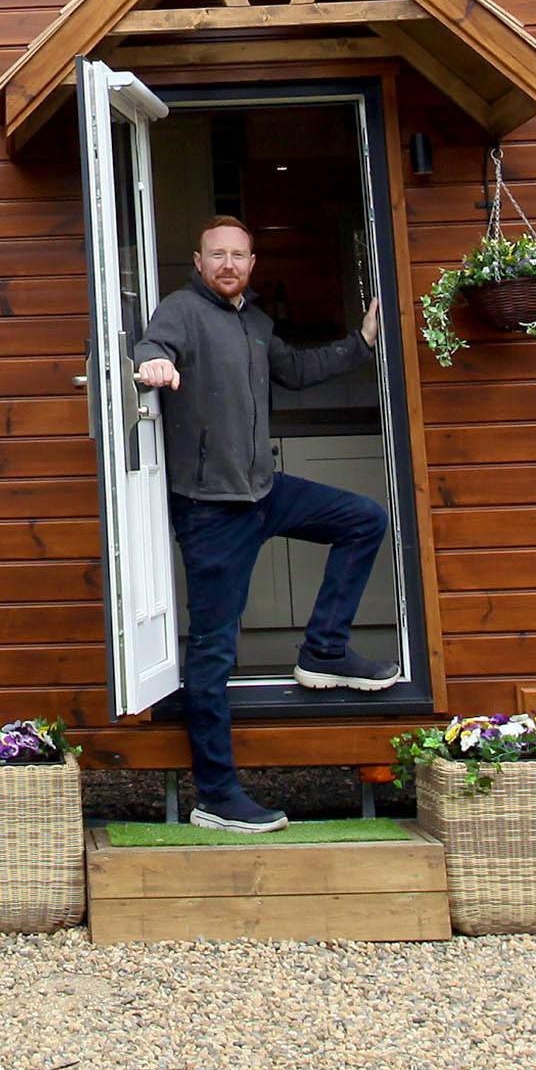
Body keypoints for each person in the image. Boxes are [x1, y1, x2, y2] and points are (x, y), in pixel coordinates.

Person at [127, 213, 401, 832]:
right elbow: (153, 347)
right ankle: (217, 796)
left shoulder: (254, 322)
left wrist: (362, 342)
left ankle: (324, 651)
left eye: (239, 256)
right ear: (198, 263)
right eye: (217, 255)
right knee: (215, 651)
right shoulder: (180, 311)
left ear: (252, 264)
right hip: (210, 511)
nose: (228, 264)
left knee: (363, 520)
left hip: (264, 492)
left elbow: (297, 372)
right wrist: (154, 367)